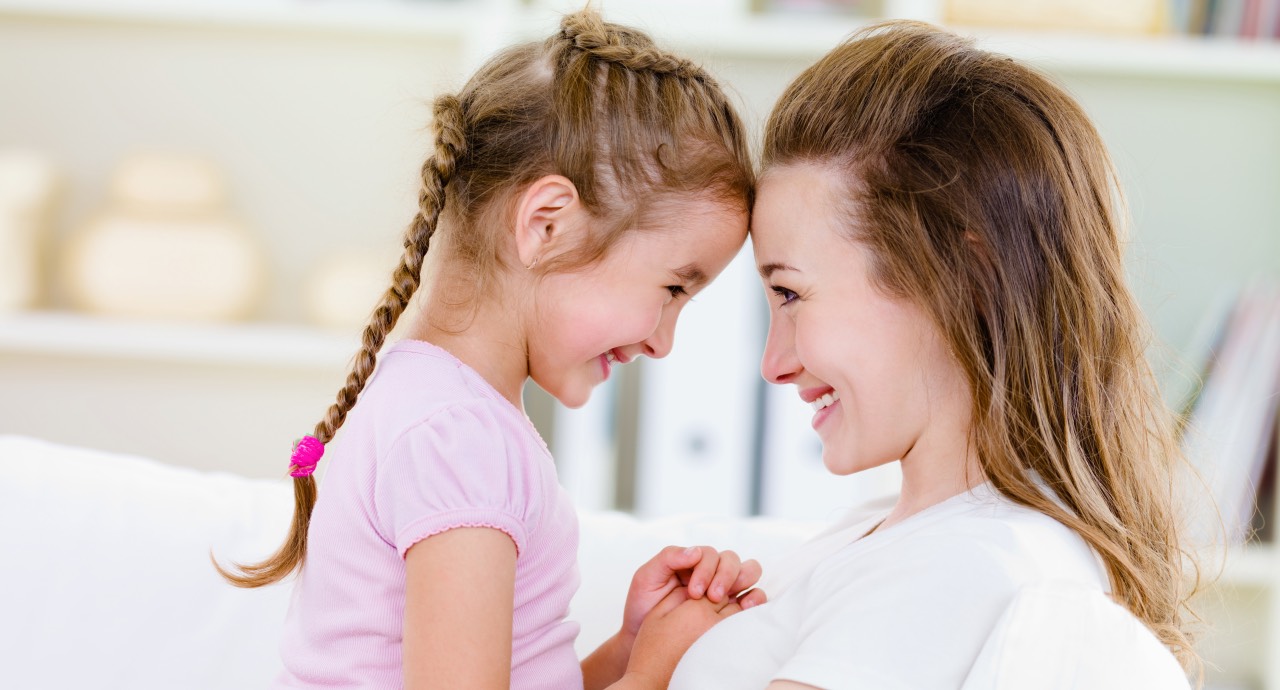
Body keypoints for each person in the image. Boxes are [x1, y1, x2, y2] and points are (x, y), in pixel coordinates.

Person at [216, 9, 766, 689]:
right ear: (546, 224)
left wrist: (628, 650)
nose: (663, 341)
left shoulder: (439, 410)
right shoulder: (461, 437)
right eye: (674, 287)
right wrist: (655, 671)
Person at [670, 21, 1198, 689]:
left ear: (965, 278)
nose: (773, 364)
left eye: (791, 294)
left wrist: (652, 669)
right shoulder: (908, 535)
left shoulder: (959, 565)